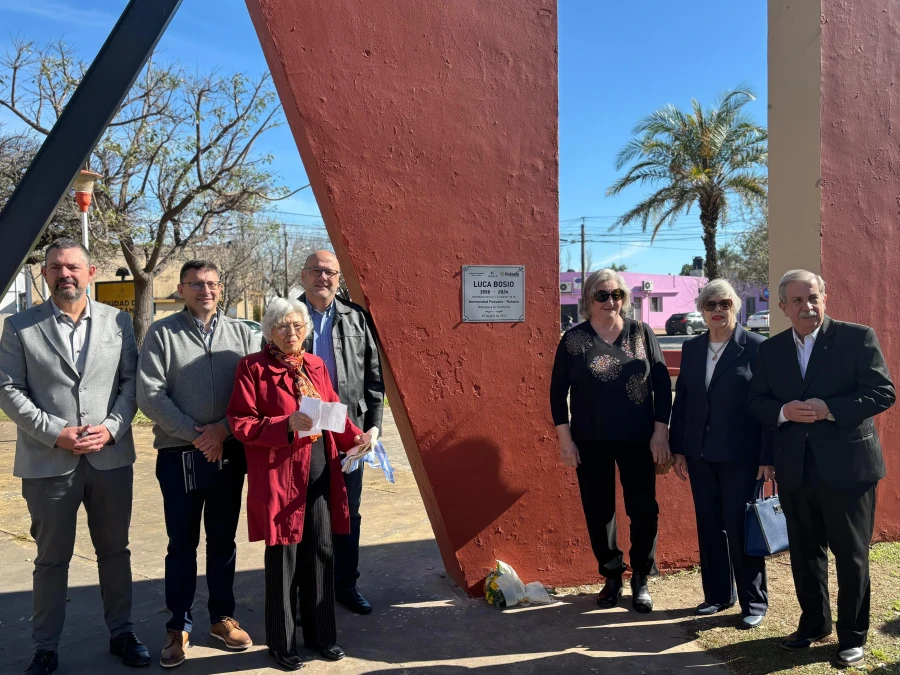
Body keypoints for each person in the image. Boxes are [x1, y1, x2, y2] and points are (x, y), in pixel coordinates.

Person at [0, 239, 149, 675]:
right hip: (49, 463)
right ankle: (45, 647)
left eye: (73, 266)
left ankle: (122, 632)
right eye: (56, 267)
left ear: (91, 272)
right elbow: (9, 390)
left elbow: (130, 383)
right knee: (50, 559)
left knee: (115, 552)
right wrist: (55, 433)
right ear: (44, 274)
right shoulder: (19, 326)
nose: (65, 273)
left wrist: (113, 428)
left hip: (111, 458)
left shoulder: (118, 322)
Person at [749, 269, 894, 668]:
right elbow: (756, 400)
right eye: (796, 300)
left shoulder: (856, 337)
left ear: (825, 298)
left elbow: (883, 392)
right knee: (806, 555)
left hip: (849, 469)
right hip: (795, 468)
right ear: (782, 307)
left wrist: (831, 410)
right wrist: (781, 411)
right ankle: (814, 624)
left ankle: (852, 636)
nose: (806, 306)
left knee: (851, 556)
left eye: (813, 297)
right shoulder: (770, 350)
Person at [227, 298, 372, 670]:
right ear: (269, 330)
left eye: (297, 326)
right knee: (283, 560)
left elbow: (334, 410)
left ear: (306, 330)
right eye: (282, 326)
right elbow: (241, 423)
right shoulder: (253, 368)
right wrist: (283, 425)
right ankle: (282, 642)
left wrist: (356, 438)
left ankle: (322, 636)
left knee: (321, 552)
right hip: (281, 475)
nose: (291, 333)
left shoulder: (316, 365)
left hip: (321, 471)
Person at [137, 260, 256, 668]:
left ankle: (222, 617)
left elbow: (252, 394)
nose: (204, 290)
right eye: (195, 284)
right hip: (178, 456)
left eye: (210, 283)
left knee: (223, 540)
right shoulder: (162, 333)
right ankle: (178, 625)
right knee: (181, 544)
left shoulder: (242, 333)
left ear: (221, 288)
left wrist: (222, 430)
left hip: (229, 451)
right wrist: (197, 434)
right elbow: (150, 394)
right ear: (181, 289)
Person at [550, 268, 672, 613]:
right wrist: (566, 441)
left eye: (616, 294)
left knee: (643, 509)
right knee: (599, 510)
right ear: (588, 299)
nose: (610, 301)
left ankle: (641, 578)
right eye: (602, 295)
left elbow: (662, 386)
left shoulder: (642, 332)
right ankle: (612, 574)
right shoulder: (573, 341)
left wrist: (661, 432)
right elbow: (558, 394)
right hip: (590, 440)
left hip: (639, 439)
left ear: (625, 298)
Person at [669, 279, 773, 628]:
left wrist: (767, 456)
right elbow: (683, 399)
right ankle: (716, 595)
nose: (717, 310)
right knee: (710, 524)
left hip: (742, 456)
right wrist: (679, 448)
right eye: (710, 304)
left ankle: (754, 602)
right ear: (701, 309)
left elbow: (767, 408)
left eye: (724, 304)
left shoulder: (757, 347)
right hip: (699, 453)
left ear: (736, 308)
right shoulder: (692, 347)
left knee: (740, 526)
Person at [297, 250, 384, 615]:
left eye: (330, 272)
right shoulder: (287, 316)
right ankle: (305, 594)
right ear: (303, 276)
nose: (324, 277)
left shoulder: (356, 318)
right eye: (316, 271)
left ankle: (346, 584)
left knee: (348, 510)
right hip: (303, 432)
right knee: (303, 514)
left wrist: (374, 427)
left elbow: (373, 379)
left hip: (349, 434)